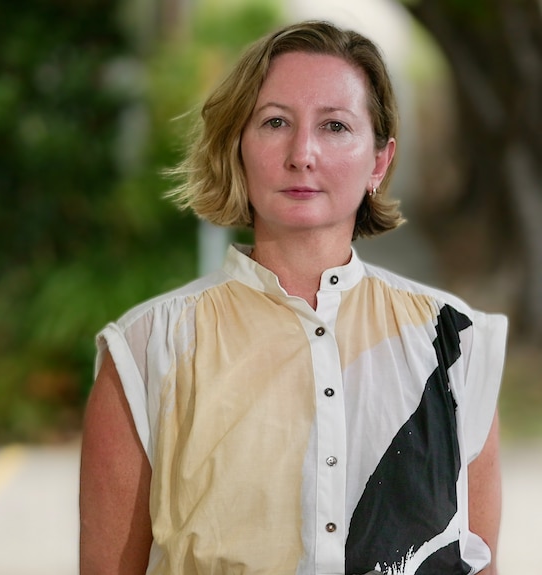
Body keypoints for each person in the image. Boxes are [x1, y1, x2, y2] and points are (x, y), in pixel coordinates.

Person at [79, 20, 507, 575]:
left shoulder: (455, 343)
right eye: (276, 122)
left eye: (334, 126)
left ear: (379, 161)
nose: (302, 153)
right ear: (237, 148)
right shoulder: (146, 352)